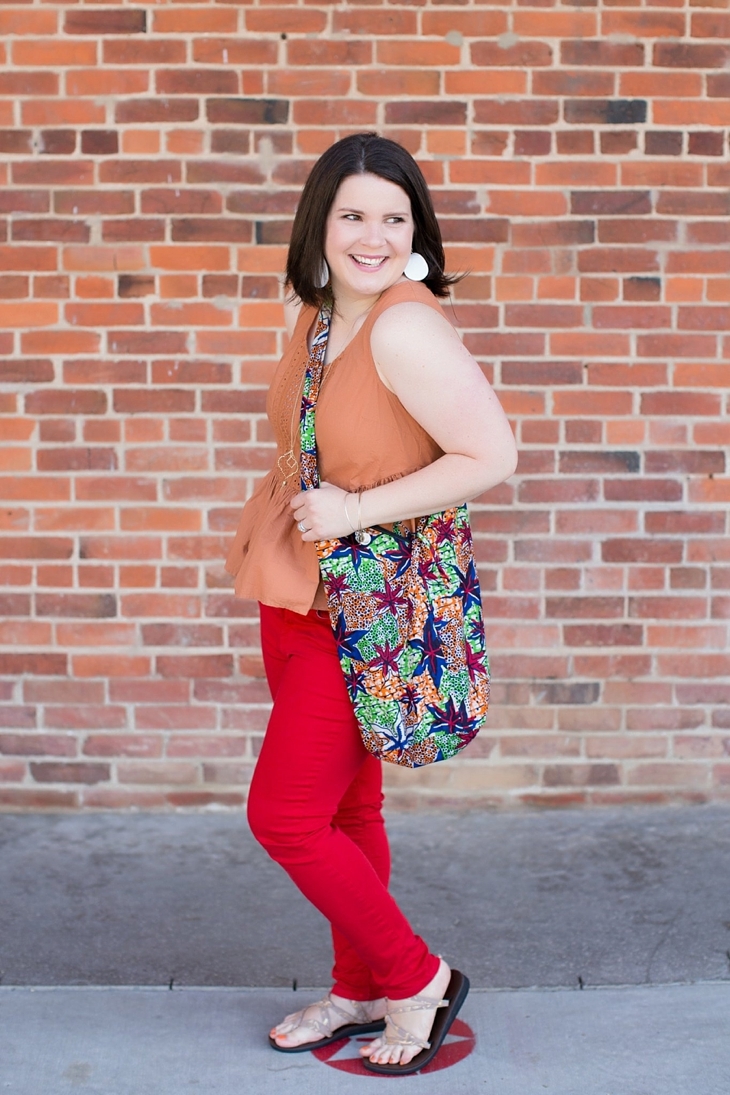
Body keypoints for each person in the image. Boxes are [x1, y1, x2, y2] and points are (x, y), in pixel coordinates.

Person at [225, 132, 517, 1074]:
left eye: (394, 218)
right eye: (354, 214)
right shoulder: (319, 317)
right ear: (321, 221)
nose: (374, 235)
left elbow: (491, 456)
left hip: (370, 613)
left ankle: (417, 979)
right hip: (299, 595)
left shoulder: (403, 326)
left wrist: (352, 507)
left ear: (415, 231)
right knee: (348, 809)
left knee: (285, 816)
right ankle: (357, 988)